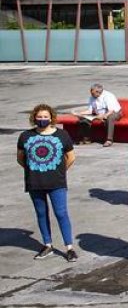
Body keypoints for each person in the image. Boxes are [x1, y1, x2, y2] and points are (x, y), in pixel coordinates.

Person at [19, 105, 77, 261]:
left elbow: (71, 157)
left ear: (51, 118)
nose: (42, 119)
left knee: (61, 213)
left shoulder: (62, 135)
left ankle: (69, 247)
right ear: (34, 117)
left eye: (45, 116)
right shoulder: (25, 136)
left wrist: (58, 171)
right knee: (41, 213)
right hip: (35, 182)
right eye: (39, 116)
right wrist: (34, 169)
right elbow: (20, 158)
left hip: (56, 182)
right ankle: (48, 245)